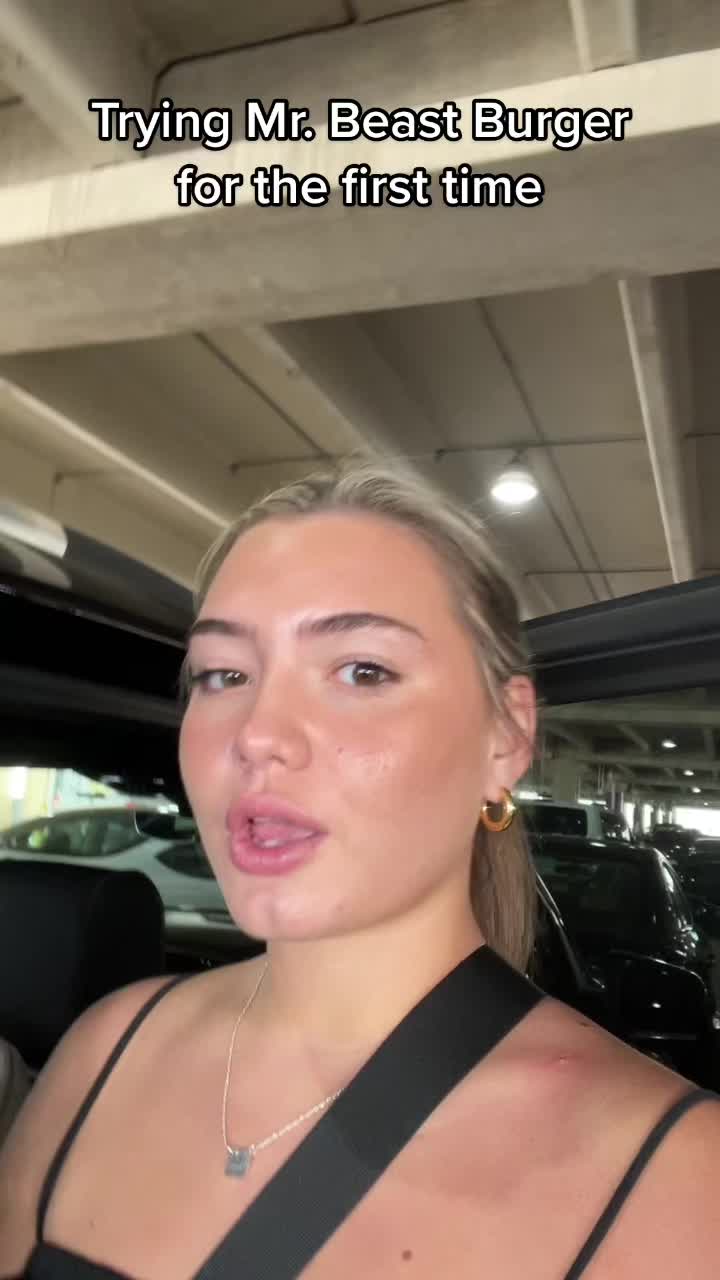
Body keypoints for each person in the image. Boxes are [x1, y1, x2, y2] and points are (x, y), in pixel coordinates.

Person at [1, 456, 719, 1279]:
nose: (257, 733)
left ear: (507, 736)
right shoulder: (106, 1050)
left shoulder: (679, 1178)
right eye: (224, 675)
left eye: (362, 671)